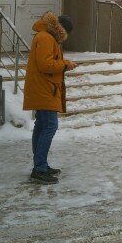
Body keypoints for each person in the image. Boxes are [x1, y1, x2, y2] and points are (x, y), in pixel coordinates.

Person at [23, 11, 76, 184]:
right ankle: (39, 169)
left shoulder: (46, 36)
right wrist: (66, 64)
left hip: (44, 87)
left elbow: (46, 62)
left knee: (42, 126)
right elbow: (46, 65)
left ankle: (41, 165)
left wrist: (64, 63)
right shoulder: (46, 38)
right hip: (45, 88)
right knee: (50, 126)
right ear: (62, 30)